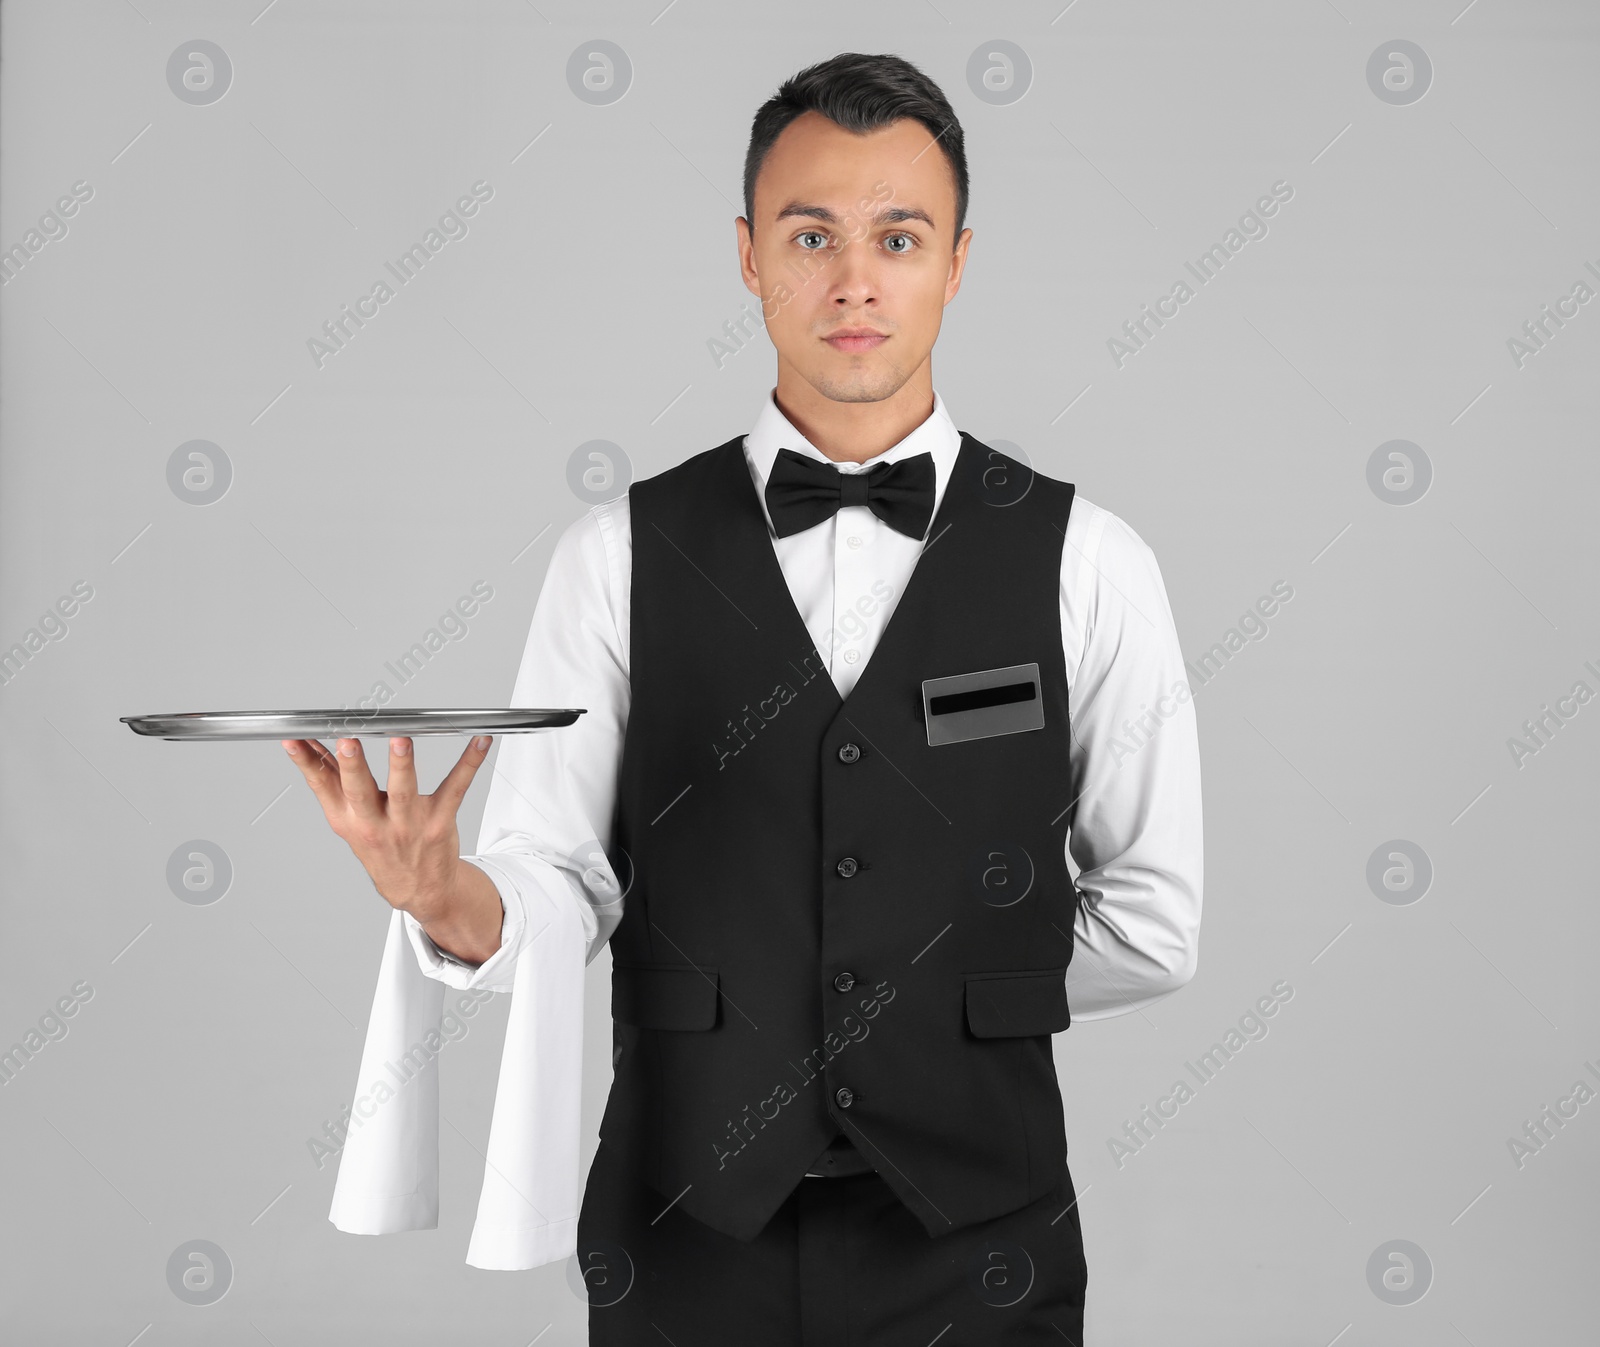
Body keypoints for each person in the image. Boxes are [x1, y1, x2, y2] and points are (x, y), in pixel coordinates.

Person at [293, 50, 1202, 1346]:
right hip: (683, 1237)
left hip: (981, 1242)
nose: (852, 280)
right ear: (745, 253)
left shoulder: (1091, 562)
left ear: (956, 261)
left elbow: (1155, 925)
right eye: (809, 233)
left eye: (898, 236)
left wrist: (948, 997)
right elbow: (553, 881)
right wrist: (439, 895)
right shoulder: (612, 555)